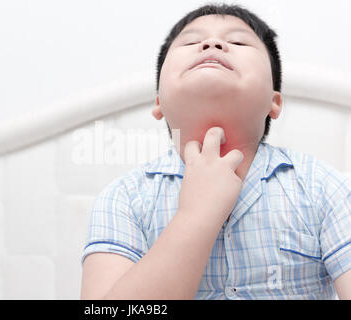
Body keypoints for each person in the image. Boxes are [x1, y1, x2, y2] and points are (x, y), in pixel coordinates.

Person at [80, 3, 351, 299]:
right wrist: (195, 215)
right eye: (192, 42)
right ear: (158, 102)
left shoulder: (324, 188)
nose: (212, 44)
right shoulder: (124, 199)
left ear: (274, 102)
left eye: (237, 42)